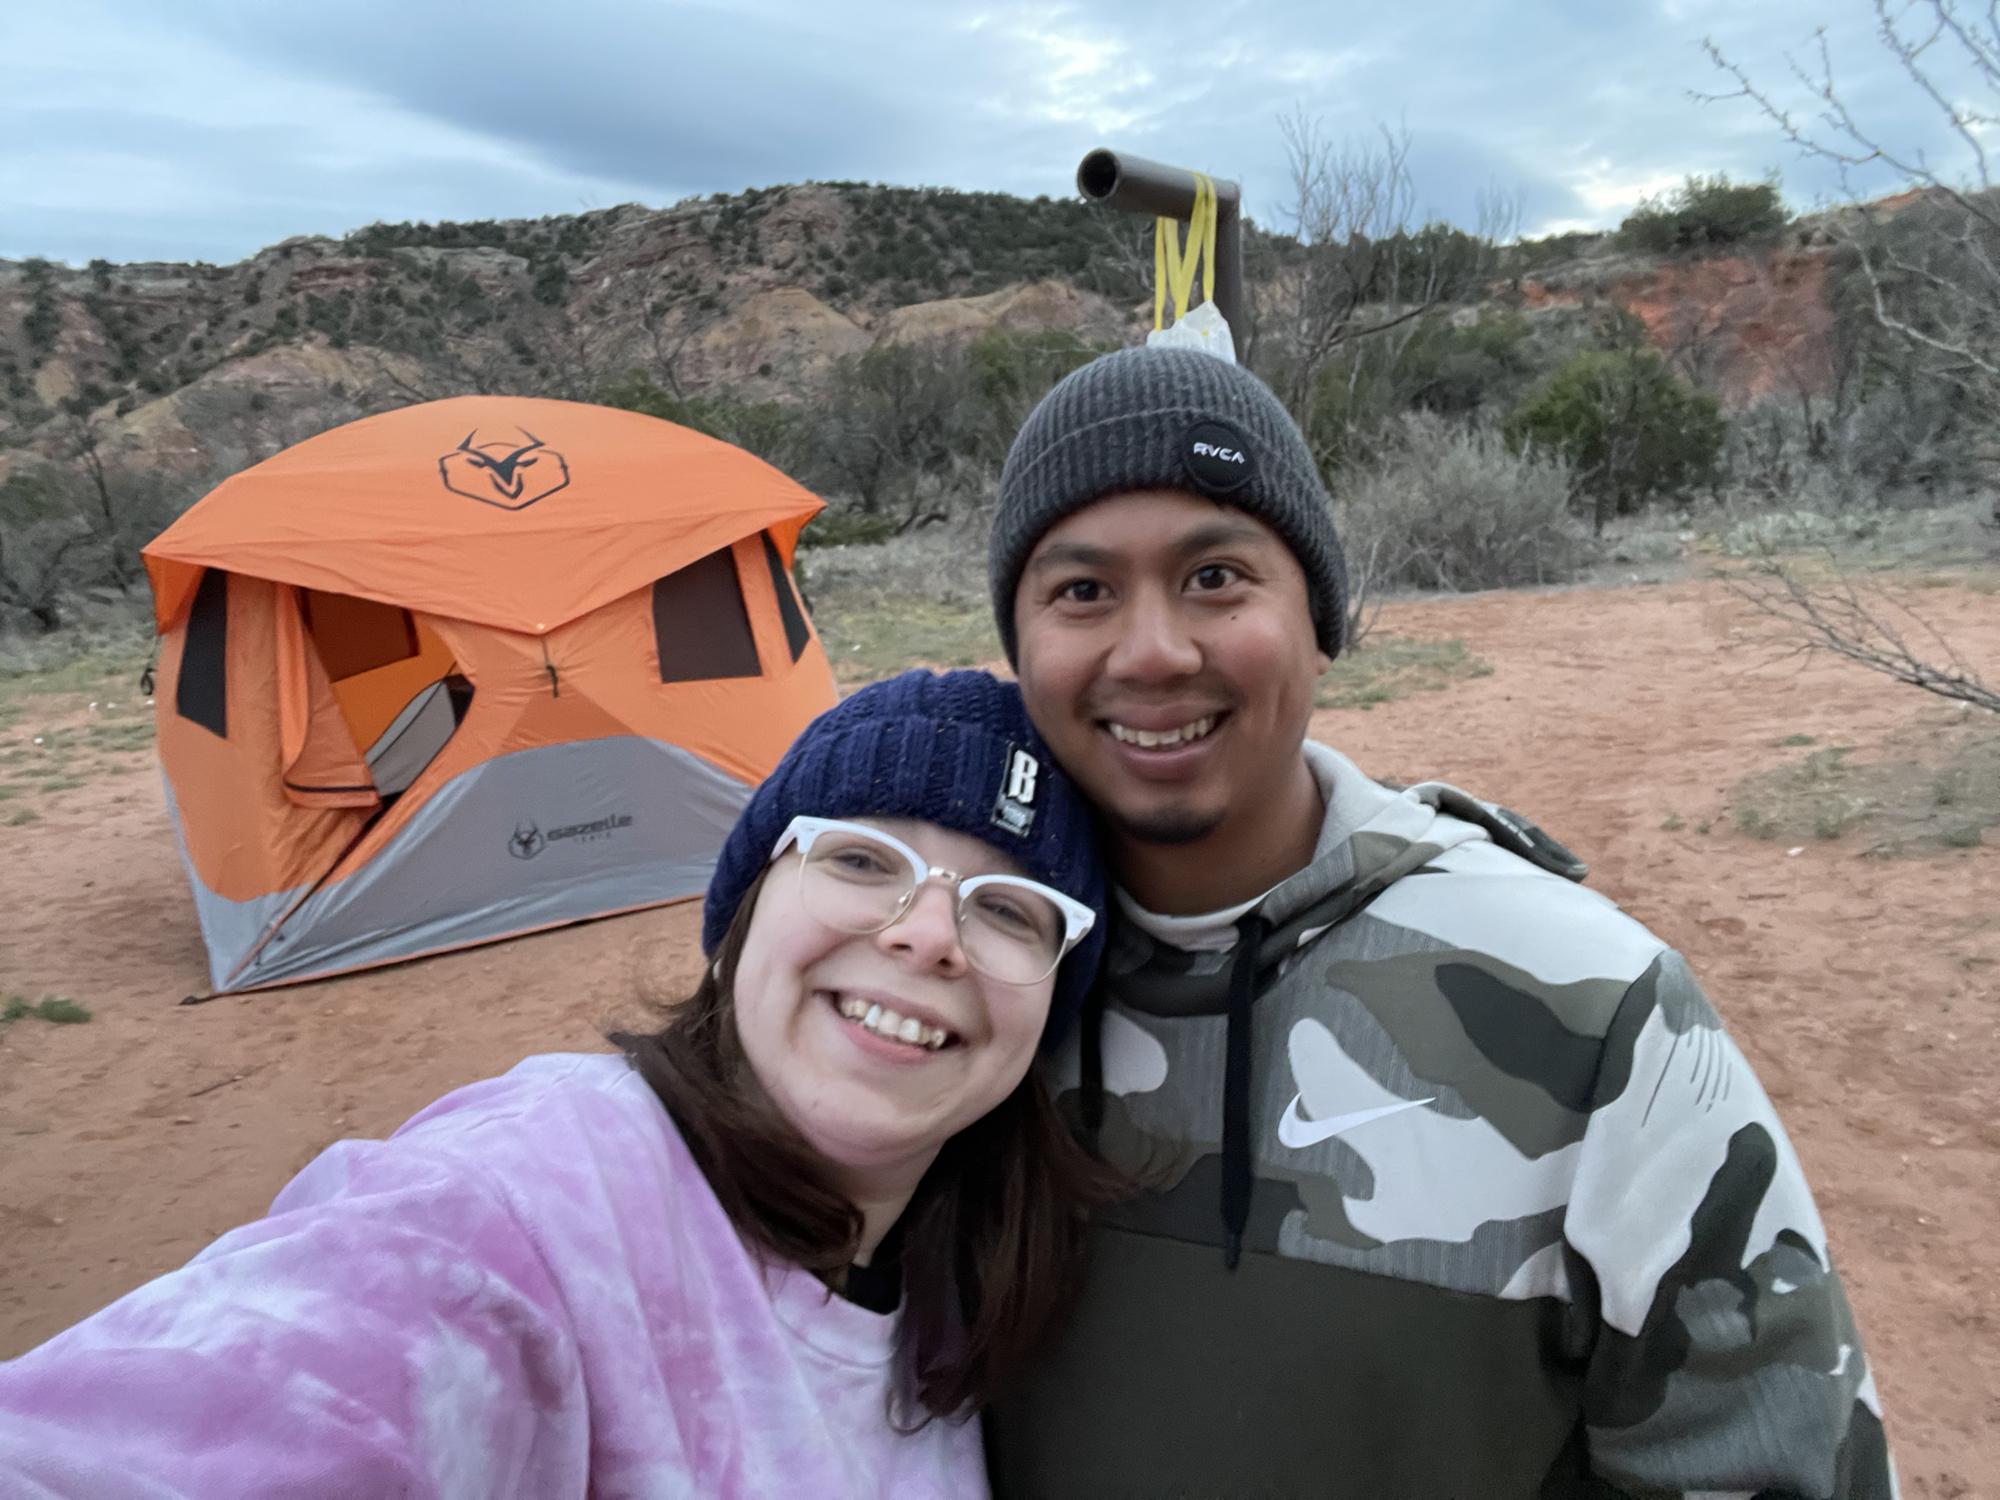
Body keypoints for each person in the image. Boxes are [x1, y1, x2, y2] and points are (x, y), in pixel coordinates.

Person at [979, 345, 1894, 1499]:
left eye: (1215, 575)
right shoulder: (959, 994)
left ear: (1321, 622)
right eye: (1081, 591)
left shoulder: (1589, 1006)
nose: (1154, 650)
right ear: (1017, 652)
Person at [0, 669, 1112, 1500]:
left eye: (1009, 911)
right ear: (741, 917)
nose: (925, 936)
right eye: (861, 859)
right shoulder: (532, 1204)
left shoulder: (955, 1301)